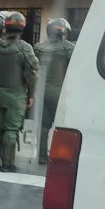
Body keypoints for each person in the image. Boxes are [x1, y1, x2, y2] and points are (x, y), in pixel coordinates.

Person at [0, 12, 39, 172]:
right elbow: (31, 74)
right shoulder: (25, 48)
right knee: (11, 130)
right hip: (16, 96)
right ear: (22, 27)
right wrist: (31, 94)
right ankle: (7, 163)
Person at [33, 18, 75, 164]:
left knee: (43, 126)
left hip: (41, 91)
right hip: (59, 91)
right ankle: (62, 156)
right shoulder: (68, 47)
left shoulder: (38, 47)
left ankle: (41, 157)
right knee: (65, 125)